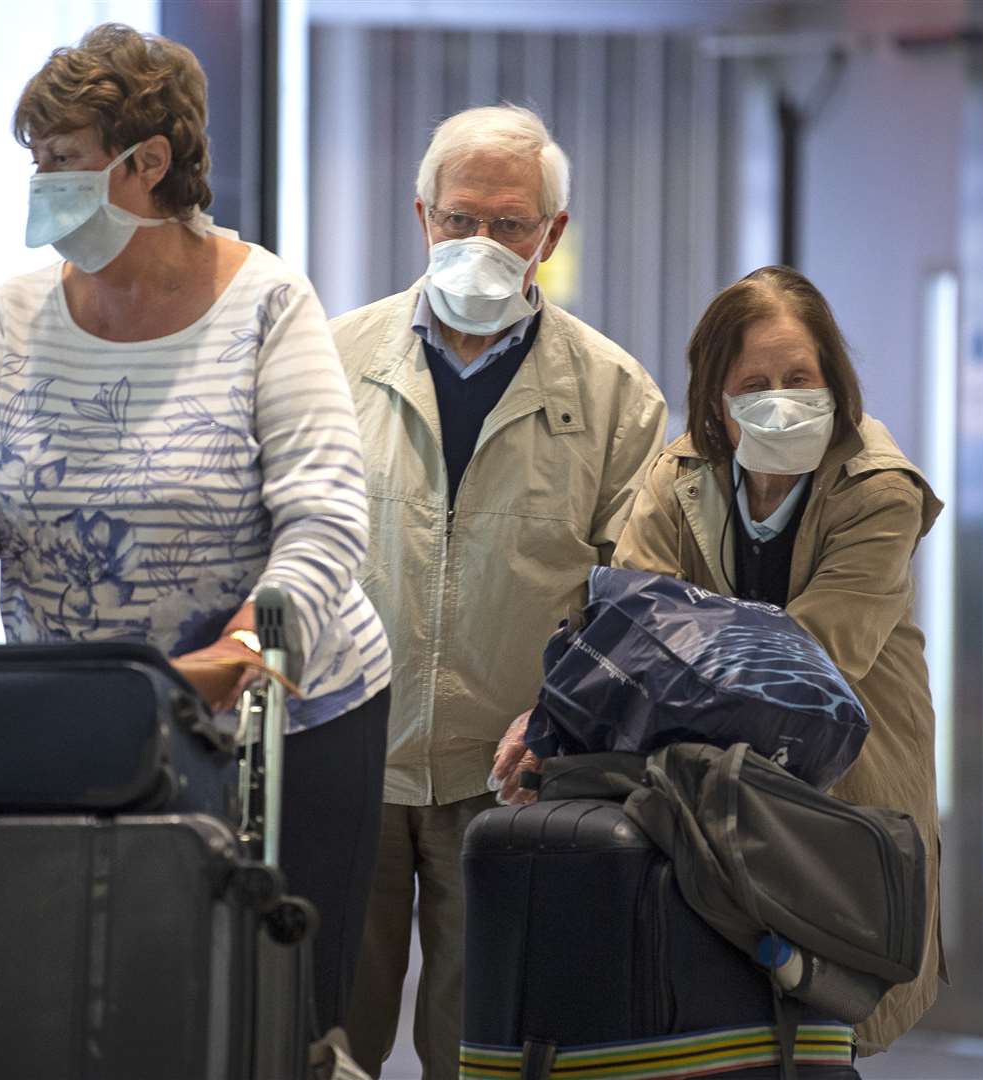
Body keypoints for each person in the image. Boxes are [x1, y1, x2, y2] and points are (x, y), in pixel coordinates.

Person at [0, 24, 391, 1039]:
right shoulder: (19, 311)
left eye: (63, 163)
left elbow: (326, 517)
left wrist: (240, 653)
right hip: (79, 716)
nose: (43, 186)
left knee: (270, 1016)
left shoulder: (265, 302)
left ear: (149, 162)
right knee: (78, 1006)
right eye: (35, 162)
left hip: (284, 720)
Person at [498, 264, 944, 1054]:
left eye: (800, 377)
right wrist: (548, 720)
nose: (782, 398)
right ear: (716, 401)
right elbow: (622, 632)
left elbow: (801, 673)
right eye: (755, 382)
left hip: (838, 797)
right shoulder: (679, 477)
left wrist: (671, 656)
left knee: (811, 1029)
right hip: (705, 802)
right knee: (704, 1028)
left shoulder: (880, 492)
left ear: (834, 383)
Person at [332, 104, 667, 1079]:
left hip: (516, 781)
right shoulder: (329, 361)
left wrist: (560, 716)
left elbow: (637, 601)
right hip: (355, 758)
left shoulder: (615, 396)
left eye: (509, 224)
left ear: (550, 236)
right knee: (322, 1037)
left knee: (486, 1049)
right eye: (460, 218)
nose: (480, 243)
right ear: (421, 217)